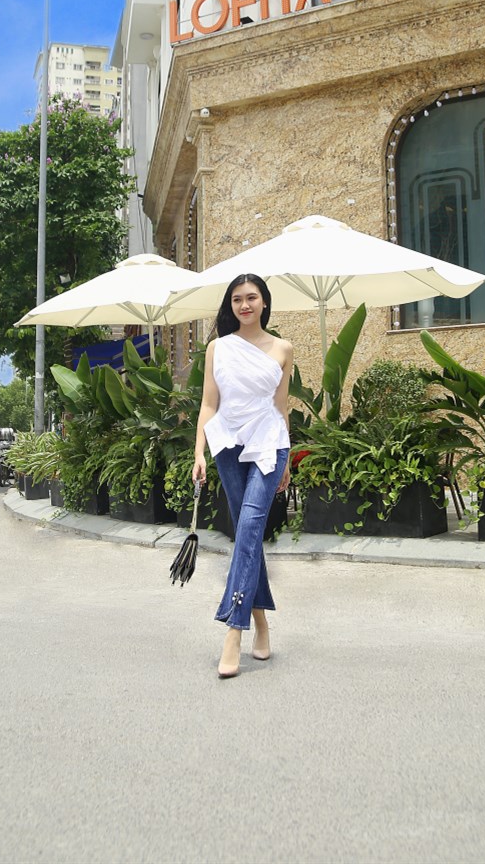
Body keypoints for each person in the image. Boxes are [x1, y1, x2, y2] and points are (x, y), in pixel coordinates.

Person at [192, 274, 292, 679]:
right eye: (237, 299)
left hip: (269, 445)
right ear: (230, 305)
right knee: (247, 535)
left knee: (250, 527)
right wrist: (198, 452)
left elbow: (281, 406)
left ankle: (234, 630)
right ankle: (262, 622)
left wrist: (287, 460)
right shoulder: (218, 347)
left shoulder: (283, 348)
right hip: (228, 446)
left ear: (264, 302)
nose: (244, 305)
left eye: (251, 297)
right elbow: (208, 403)